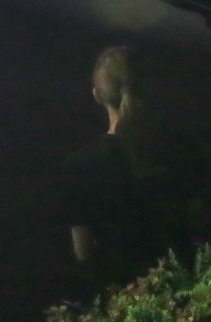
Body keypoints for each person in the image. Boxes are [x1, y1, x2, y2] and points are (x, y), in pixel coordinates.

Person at [59, 47, 187, 282]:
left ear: (98, 95)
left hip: (123, 289)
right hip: (185, 282)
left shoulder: (81, 165)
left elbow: (83, 251)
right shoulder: (177, 150)